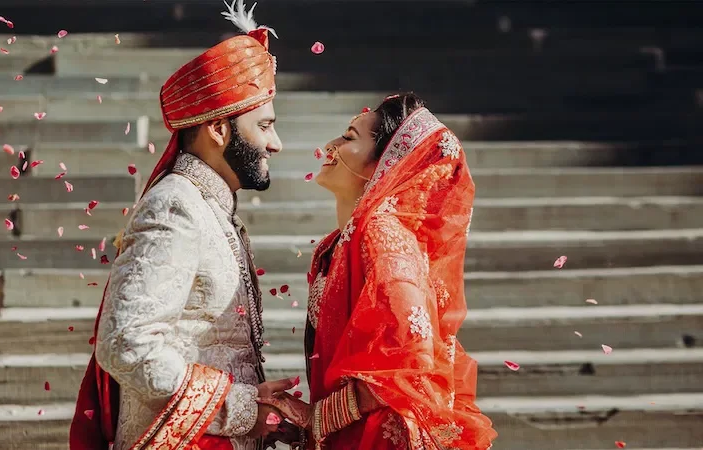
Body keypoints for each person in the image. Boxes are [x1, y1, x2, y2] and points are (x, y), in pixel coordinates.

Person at [69, 2, 301, 449]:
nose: (276, 142)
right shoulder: (175, 206)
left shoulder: (210, 207)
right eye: (265, 125)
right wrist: (240, 409)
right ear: (218, 129)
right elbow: (124, 342)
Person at [258, 94, 498, 449]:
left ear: (385, 165)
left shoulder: (380, 233)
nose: (330, 146)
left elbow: (407, 358)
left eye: (349, 137)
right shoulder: (340, 242)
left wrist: (317, 418)